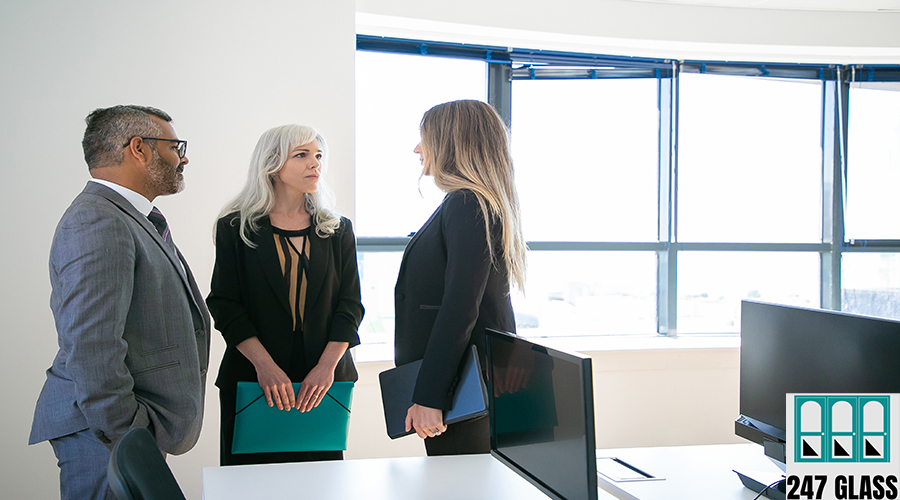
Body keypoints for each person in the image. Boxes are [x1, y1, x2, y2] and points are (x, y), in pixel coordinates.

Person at [29, 105, 211, 500]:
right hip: (103, 434)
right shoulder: (98, 220)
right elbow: (92, 343)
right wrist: (128, 432)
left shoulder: (130, 216)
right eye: (174, 145)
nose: (184, 157)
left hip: (118, 429)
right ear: (139, 149)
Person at [207, 124, 363, 466]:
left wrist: (326, 367)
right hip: (253, 378)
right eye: (302, 155)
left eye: (318, 156)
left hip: (322, 383)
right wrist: (264, 366)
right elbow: (224, 304)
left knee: (320, 485)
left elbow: (350, 306)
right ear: (272, 164)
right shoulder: (235, 227)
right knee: (250, 484)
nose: (315, 164)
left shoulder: (337, 229)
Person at [394, 99, 527, 456]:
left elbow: (459, 307)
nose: (417, 149)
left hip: (460, 388)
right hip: (470, 381)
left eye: (425, 139)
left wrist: (429, 396)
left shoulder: (467, 203)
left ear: (451, 144)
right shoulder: (475, 203)